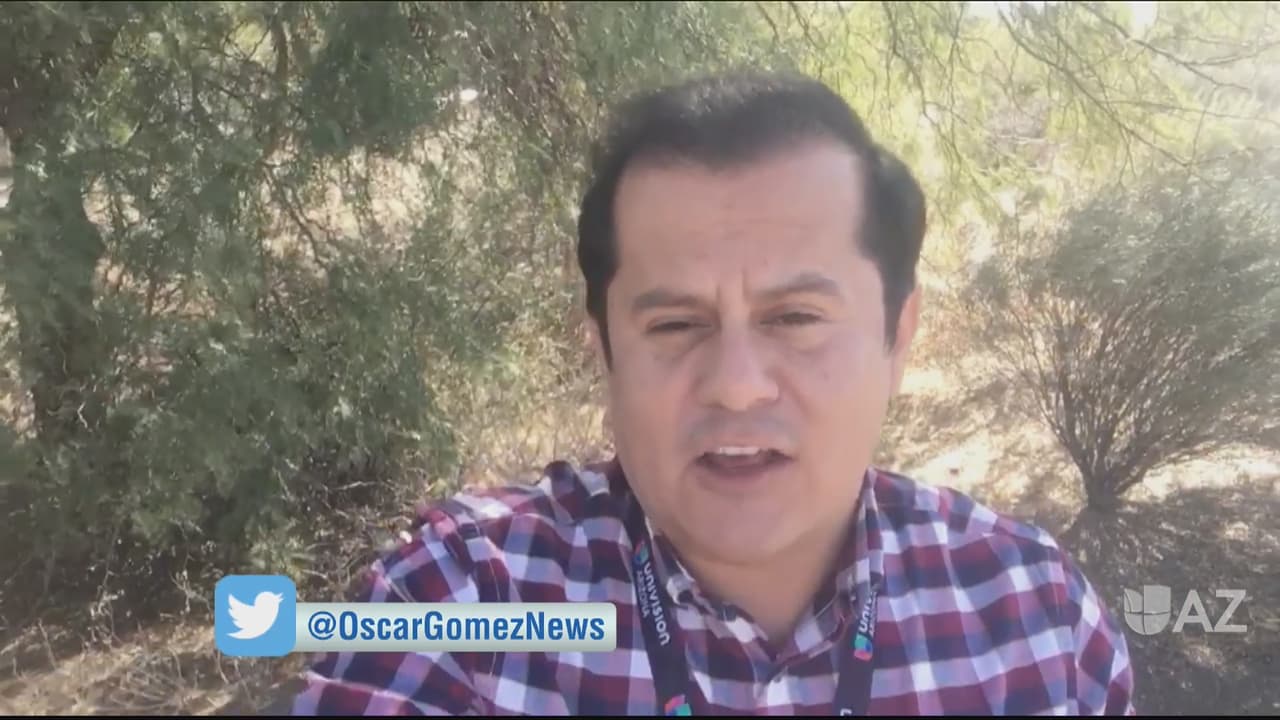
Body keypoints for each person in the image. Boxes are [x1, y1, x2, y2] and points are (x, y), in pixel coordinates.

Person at [290, 70, 1136, 715]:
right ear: (604, 349)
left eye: (795, 317)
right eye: (675, 325)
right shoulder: (461, 603)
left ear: (898, 337)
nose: (735, 386)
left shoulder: (1035, 617)